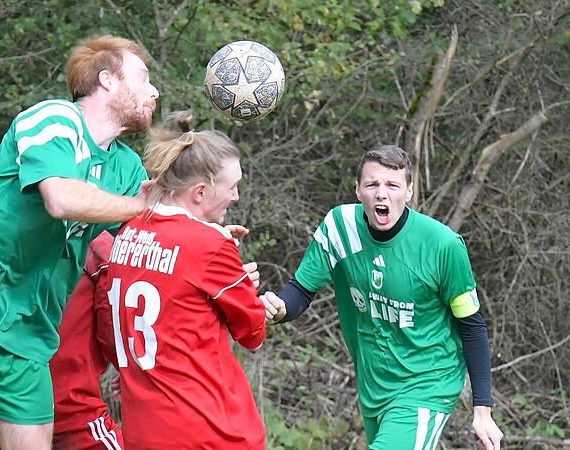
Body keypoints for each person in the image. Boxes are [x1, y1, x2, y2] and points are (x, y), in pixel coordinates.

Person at [0, 35, 159, 450]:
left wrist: (201, 235)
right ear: (106, 79)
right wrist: (142, 207)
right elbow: (61, 198)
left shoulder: (125, 166)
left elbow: (149, 236)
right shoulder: (54, 120)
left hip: (25, 332)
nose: (154, 91)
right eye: (143, 78)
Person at [262, 145, 504, 450]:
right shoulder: (340, 228)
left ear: (409, 192)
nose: (382, 194)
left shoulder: (443, 246)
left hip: (427, 386)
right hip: (374, 385)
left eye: (392, 185)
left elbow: (472, 326)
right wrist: (280, 307)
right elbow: (301, 289)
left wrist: (483, 410)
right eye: (372, 184)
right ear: (358, 190)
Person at [98, 111, 266, 449]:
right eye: (232, 187)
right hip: (211, 430)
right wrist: (244, 289)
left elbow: (113, 323)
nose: (235, 196)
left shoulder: (128, 232)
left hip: (144, 431)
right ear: (200, 192)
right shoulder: (210, 245)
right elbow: (253, 332)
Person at [0, 233, 124, 450]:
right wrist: (132, 373)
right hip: (71, 413)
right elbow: (115, 335)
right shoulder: (98, 247)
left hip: (3, 410)